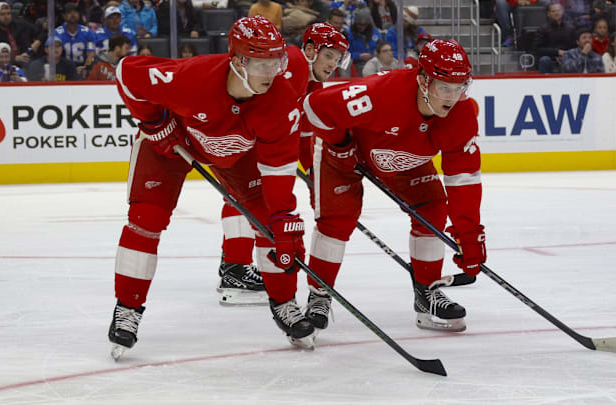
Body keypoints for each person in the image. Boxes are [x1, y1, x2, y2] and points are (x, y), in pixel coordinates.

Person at [108, 16, 312, 358]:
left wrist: (282, 220)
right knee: (146, 220)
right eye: (260, 63)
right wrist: (154, 122)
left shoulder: (281, 103)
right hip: (171, 144)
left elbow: (278, 176)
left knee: (270, 223)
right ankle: (127, 309)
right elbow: (126, 73)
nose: (269, 72)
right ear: (236, 58)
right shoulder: (192, 78)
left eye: (274, 62)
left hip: (235, 151)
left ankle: (284, 304)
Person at [302, 39, 485, 334]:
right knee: (337, 220)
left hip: (404, 158)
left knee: (433, 211)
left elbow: (464, 179)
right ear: (424, 80)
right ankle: (319, 295)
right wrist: (340, 145)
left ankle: (427, 293)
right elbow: (314, 107)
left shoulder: (461, 114)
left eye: (460, 87)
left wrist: (470, 233)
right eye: (444, 88)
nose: (452, 98)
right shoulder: (381, 93)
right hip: (345, 153)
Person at [215, 22, 350, 307]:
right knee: (248, 195)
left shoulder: (314, 85)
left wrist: (314, 176)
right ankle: (235, 269)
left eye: (338, 59)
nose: (333, 64)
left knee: (250, 195)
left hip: (248, 138)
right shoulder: (296, 62)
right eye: (329, 56)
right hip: (236, 133)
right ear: (312, 50)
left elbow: (302, 138)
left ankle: (234, 267)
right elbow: (260, 102)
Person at [533, 2, 577, 74]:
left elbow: (575, 46)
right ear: (548, 14)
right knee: (544, 60)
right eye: (553, 11)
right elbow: (537, 49)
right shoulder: (542, 29)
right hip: (550, 59)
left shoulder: (570, 28)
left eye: (559, 10)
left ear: (562, 11)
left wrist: (566, 54)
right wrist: (557, 52)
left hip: (567, 58)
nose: (557, 13)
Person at [55, 3, 97, 73]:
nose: (73, 14)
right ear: (63, 16)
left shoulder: (87, 32)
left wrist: (86, 66)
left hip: (83, 68)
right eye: (69, 12)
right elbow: (55, 56)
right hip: (63, 70)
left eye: (75, 12)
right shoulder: (57, 33)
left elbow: (91, 53)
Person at [347, 7, 381, 75]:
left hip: (373, 61)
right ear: (355, 23)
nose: (362, 27)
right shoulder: (348, 34)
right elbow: (344, 54)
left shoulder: (375, 32)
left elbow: (380, 48)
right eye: (359, 24)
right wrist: (359, 56)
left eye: (364, 25)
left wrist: (372, 54)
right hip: (355, 63)